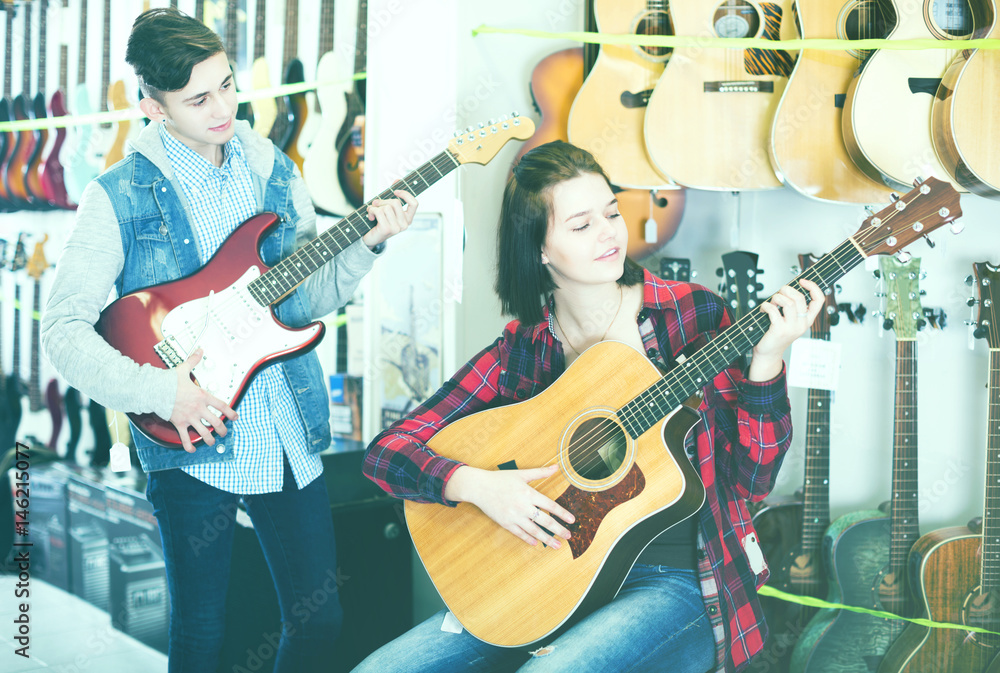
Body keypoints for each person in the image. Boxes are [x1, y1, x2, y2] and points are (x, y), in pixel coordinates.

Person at [40, 8, 417, 672]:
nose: (222, 109)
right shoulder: (118, 195)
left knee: (321, 620)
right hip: (188, 442)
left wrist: (366, 247)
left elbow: (305, 296)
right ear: (152, 105)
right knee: (202, 634)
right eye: (197, 98)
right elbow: (63, 332)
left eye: (227, 85)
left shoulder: (270, 166)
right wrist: (163, 391)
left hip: (283, 427)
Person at [357, 141, 823, 673]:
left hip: (679, 584)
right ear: (538, 249)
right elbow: (386, 453)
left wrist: (767, 361)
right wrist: (478, 486)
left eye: (611, 212)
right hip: (548, 575)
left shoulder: (690, 316)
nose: (609, 233)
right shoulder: (523, 350)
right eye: (581, 225)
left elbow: (752, 481)